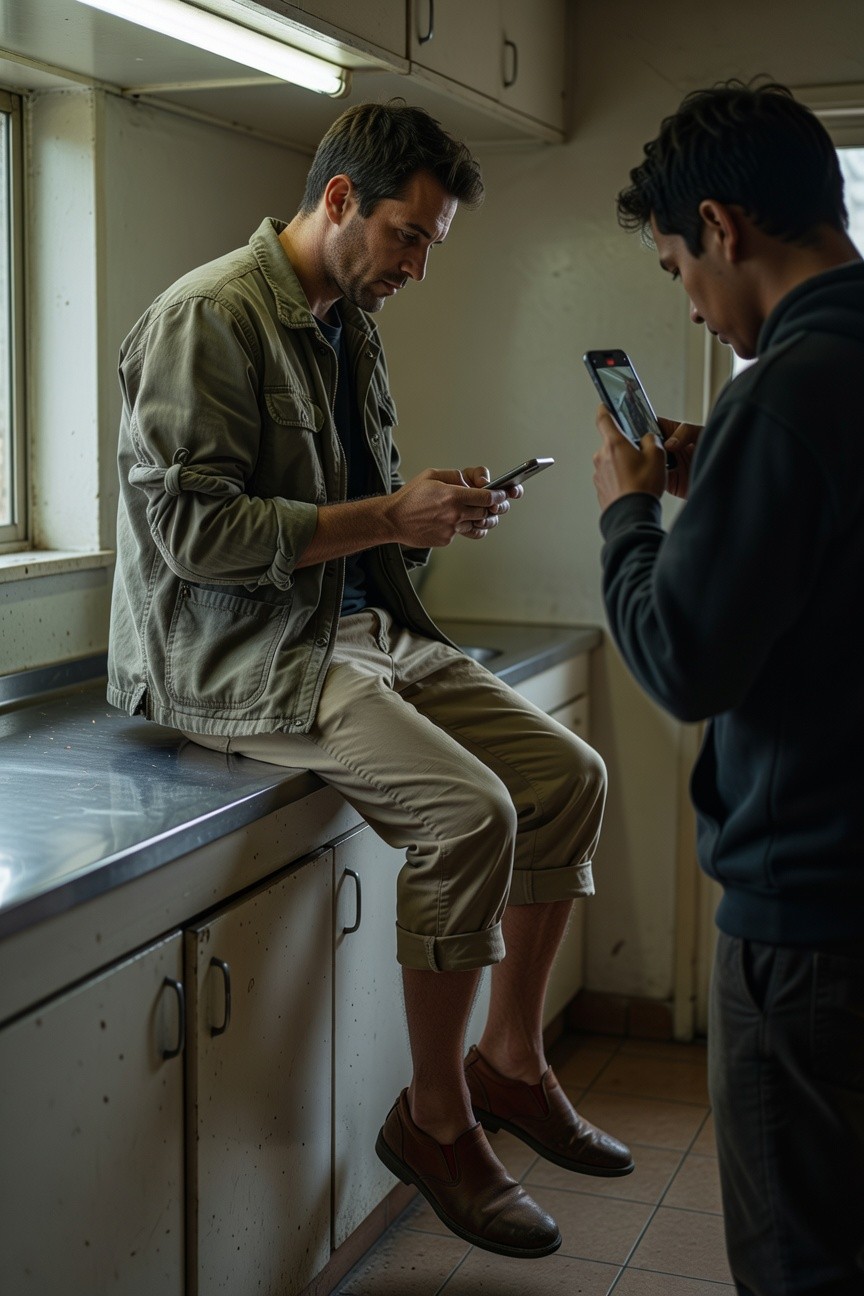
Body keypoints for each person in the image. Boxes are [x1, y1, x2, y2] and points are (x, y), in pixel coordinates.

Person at [108, 100, 632, 1261]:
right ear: (339, 199)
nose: (416, 266)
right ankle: (434, 1123)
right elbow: (196, 534)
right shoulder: (207, 317)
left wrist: (425, 517)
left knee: (568, 778)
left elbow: (347, 522)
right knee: (470, 815)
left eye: (430, 245)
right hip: (245, 654)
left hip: (356, 629)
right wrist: (387, 513)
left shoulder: (348, 319)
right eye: (409, 236)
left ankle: (511, 1063)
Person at [591, 79, 864, 1295]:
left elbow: (685, 659)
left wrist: (629, 518)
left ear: (722, 226)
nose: (693, 308)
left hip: (811, 926)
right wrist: (731, 505)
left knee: (802, 1259)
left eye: (674, 269)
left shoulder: (785, 392)